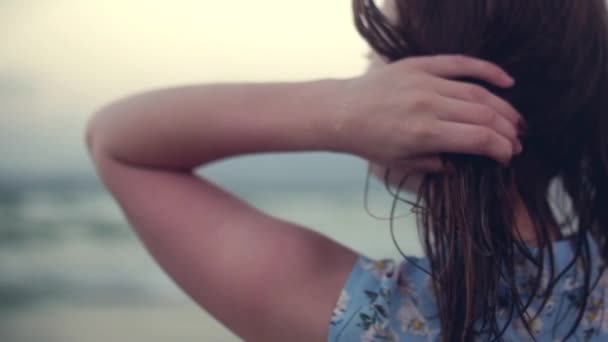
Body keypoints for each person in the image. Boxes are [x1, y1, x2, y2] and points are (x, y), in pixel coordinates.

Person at [85, 0, 608, 340]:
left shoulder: (382, 317)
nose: (366, 82)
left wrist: (338, 109)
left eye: (375, 61)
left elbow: (115, 142)